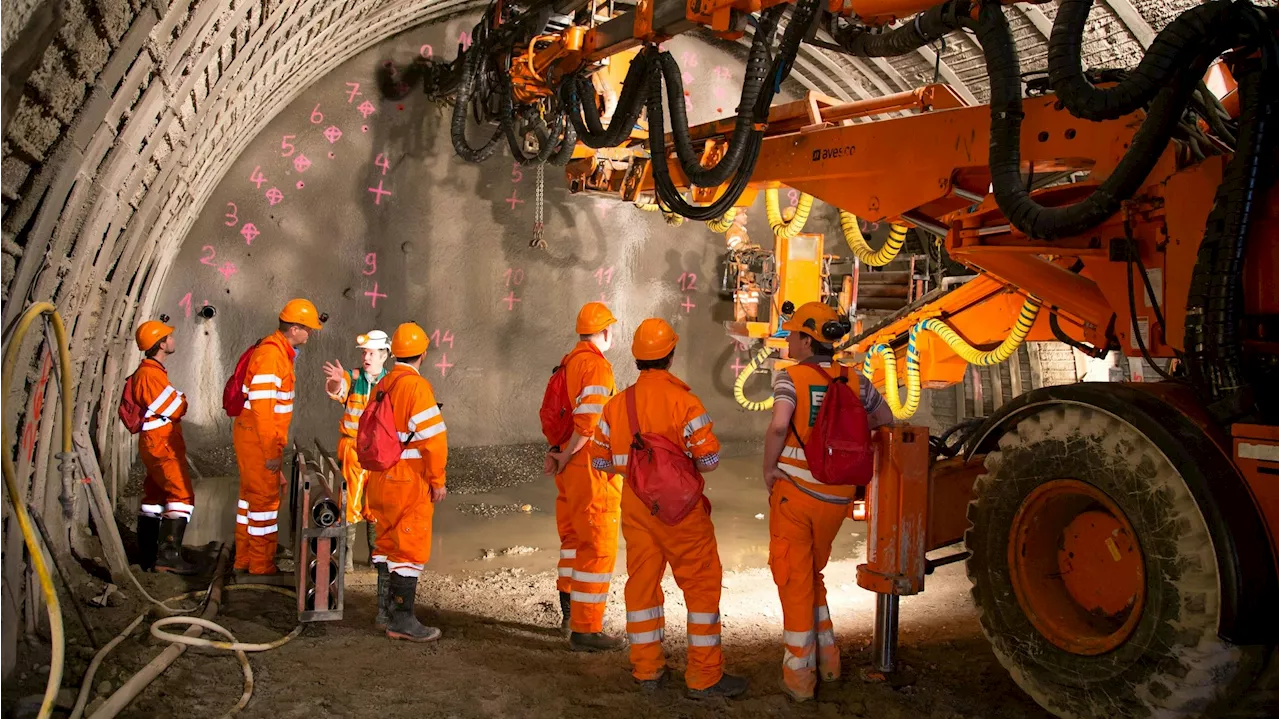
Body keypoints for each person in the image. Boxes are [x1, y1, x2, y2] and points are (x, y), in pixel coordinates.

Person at [589, 318, 749, 700]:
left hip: (637, 508)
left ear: (638, 358)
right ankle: (705, 676)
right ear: (671, 356)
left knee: (641, 587)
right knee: (701, 587)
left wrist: (636, 471)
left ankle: (647, 671)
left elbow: (598, 462)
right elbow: (708, 461)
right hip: (682, 513)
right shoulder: (685, 401)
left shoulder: (617, 405)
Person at [761, 301, 893, 701]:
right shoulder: (856, 381)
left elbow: (780, 424)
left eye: (793, 335)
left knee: (793, 579)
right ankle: (829, 661)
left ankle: (800, 679)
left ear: (805, 339)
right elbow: (885, 420)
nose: (789, 342)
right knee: (812, 575)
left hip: (796, 496)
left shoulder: (791, 379)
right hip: (837, 498)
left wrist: (768, 470)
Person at [543, 302, 625, 651]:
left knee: (574, 538)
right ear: (605, 332)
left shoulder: (569, 362)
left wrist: (558, 454)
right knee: (597, 543)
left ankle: (568, 612)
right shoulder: (596, 367)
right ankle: (587, 629)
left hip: (569, 466)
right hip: (589, 466)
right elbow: (588, 425)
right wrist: (567, 454)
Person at [366, 323, 448, 642]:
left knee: (386, 545)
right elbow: (434, 441)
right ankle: (402, 621)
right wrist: (437, 480)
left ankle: (385, 614)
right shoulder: (417, 387)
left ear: (394, 353)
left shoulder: (382, 384)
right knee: (409, 551)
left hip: (380, 478)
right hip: (407, 481)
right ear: (423, 353)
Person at [233, 298, 324, 574]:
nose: (310, 333)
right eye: (308, 328)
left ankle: (245, 559)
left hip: (254, 437)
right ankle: (260, 565)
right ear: (294, 329)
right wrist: (272, 453)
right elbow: (263, 410)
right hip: (258, 440)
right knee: (263, 504)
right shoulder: (272, 356)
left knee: (250, 500)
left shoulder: (276, 352)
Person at [128, 319, 197, 575]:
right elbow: (176, 408)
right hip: (161, 442)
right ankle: (168, 557)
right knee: (181, 496)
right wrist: (182, 399)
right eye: (169, 336)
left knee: (155, 497)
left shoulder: (151, 372)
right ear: (161, 344)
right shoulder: (150, 375)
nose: (173, 339)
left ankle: (148, 554)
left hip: (156, 441)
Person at [323, 330, 392, 571]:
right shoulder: (353, 377)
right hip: (352, 448)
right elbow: (338, 388)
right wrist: (335, 381)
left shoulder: (390, 382)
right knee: (350, 500)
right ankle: (348, 555)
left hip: (379, 450)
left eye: (372, 353)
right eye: (365, 353)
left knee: (376, 503)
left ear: (384, 356)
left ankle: (375, 555)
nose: (367, 357)